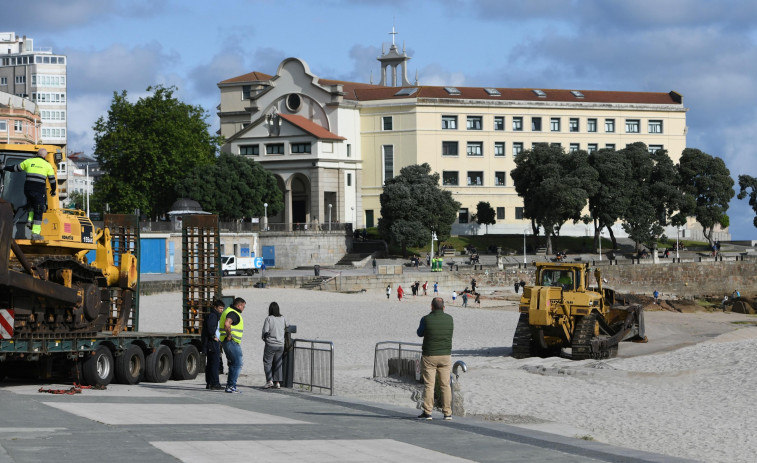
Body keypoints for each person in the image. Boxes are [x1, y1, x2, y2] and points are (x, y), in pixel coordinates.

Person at [2, 148, 56, 240]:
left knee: (31, 204)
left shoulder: (29, 161)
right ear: (45, 156)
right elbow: (52, 181)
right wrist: (53, 190)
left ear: (37, 154)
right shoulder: (47, 165)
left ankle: (30, 221)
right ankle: (35, 234)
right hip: (38, 191)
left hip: (28, 190)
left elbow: (15, 168)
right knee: (39, 210)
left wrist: (4, 167)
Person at [416, 297, 454, 420]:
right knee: (445, 385)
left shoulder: (426, 319)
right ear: (443, 307)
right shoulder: (450, 319)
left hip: (430, 355)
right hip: (445, 355)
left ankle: (428, 412)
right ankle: (447, 412)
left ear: (431, 307)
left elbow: (419, 333)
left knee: (429, 385)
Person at [220, 297, 246, 393]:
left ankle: (230, 386)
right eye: (243, 306)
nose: (243, 308)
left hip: (226, 341)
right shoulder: (233, 313)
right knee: (238, 363)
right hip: (231, 342)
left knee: (233, 364)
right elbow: (227, 324)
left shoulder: (228, 310)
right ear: (239, 305)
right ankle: (231, 386)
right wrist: (229, 335)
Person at [261, 302, 288, 389]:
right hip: (281, 344)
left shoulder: (269, 318)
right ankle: (277, 382)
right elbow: (287, 327)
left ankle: (269, 381)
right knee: (278, 363)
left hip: (271, 344)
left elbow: (265, 331)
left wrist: (264, 338)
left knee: (267, 362)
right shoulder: (282, 318)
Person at [201, 299, 225, 390]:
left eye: (222, 308)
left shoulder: (213, 315)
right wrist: (214, 336)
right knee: (215, 363)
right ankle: (215, 383)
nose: (221, 310)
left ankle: (209, 383)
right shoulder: (213, 316)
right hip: (212, 343)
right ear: (215, 307)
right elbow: (210, 328)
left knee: (211, 363)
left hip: (211, 342)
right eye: (220, 308)